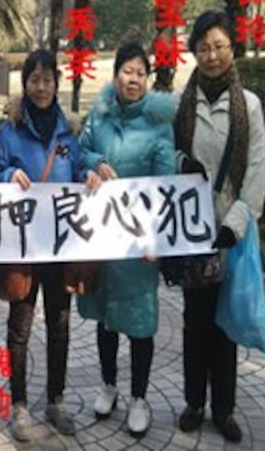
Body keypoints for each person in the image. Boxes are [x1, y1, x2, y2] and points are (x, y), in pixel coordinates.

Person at [0, 49, 100, 441]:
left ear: (57, 84)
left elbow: (78, 169)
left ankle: (55, 399)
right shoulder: (8, 131)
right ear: (25, 85)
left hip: (61, 245)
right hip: (23, 246)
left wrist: (88, 174)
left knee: (60, 324)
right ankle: (18, 404)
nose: (41, 88)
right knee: (19, 326)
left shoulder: (68, 132)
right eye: (34, 80)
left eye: (47, 80)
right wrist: (9, 175)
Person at [173, 10, 265, 443]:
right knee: (195, 323)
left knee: (223, 326)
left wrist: (233, 226)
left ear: (232, 49)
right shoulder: (183, 103)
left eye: (219, 46)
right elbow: (165, 158)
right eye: (204, 47)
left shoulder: (249, 105)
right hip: (192, 233)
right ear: (194, 50)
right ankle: (194, 402)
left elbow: (256, 175)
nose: (211, 55)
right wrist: (180, 163)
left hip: (228, 235)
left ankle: (224, 409)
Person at [76, 42, 176, 438]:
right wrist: (94, 164)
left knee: (139, 323)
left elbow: (166, 181)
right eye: (126, 71)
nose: (132, 79)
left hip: (138, 242)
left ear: (147, 79)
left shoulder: (158, 124)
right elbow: (80, 151)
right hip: (102, 236)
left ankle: (139, 398)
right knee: (105, 319)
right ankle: (108, 386)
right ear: (115, 74)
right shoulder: (98, 116)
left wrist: (158, 237)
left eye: (140, 73)